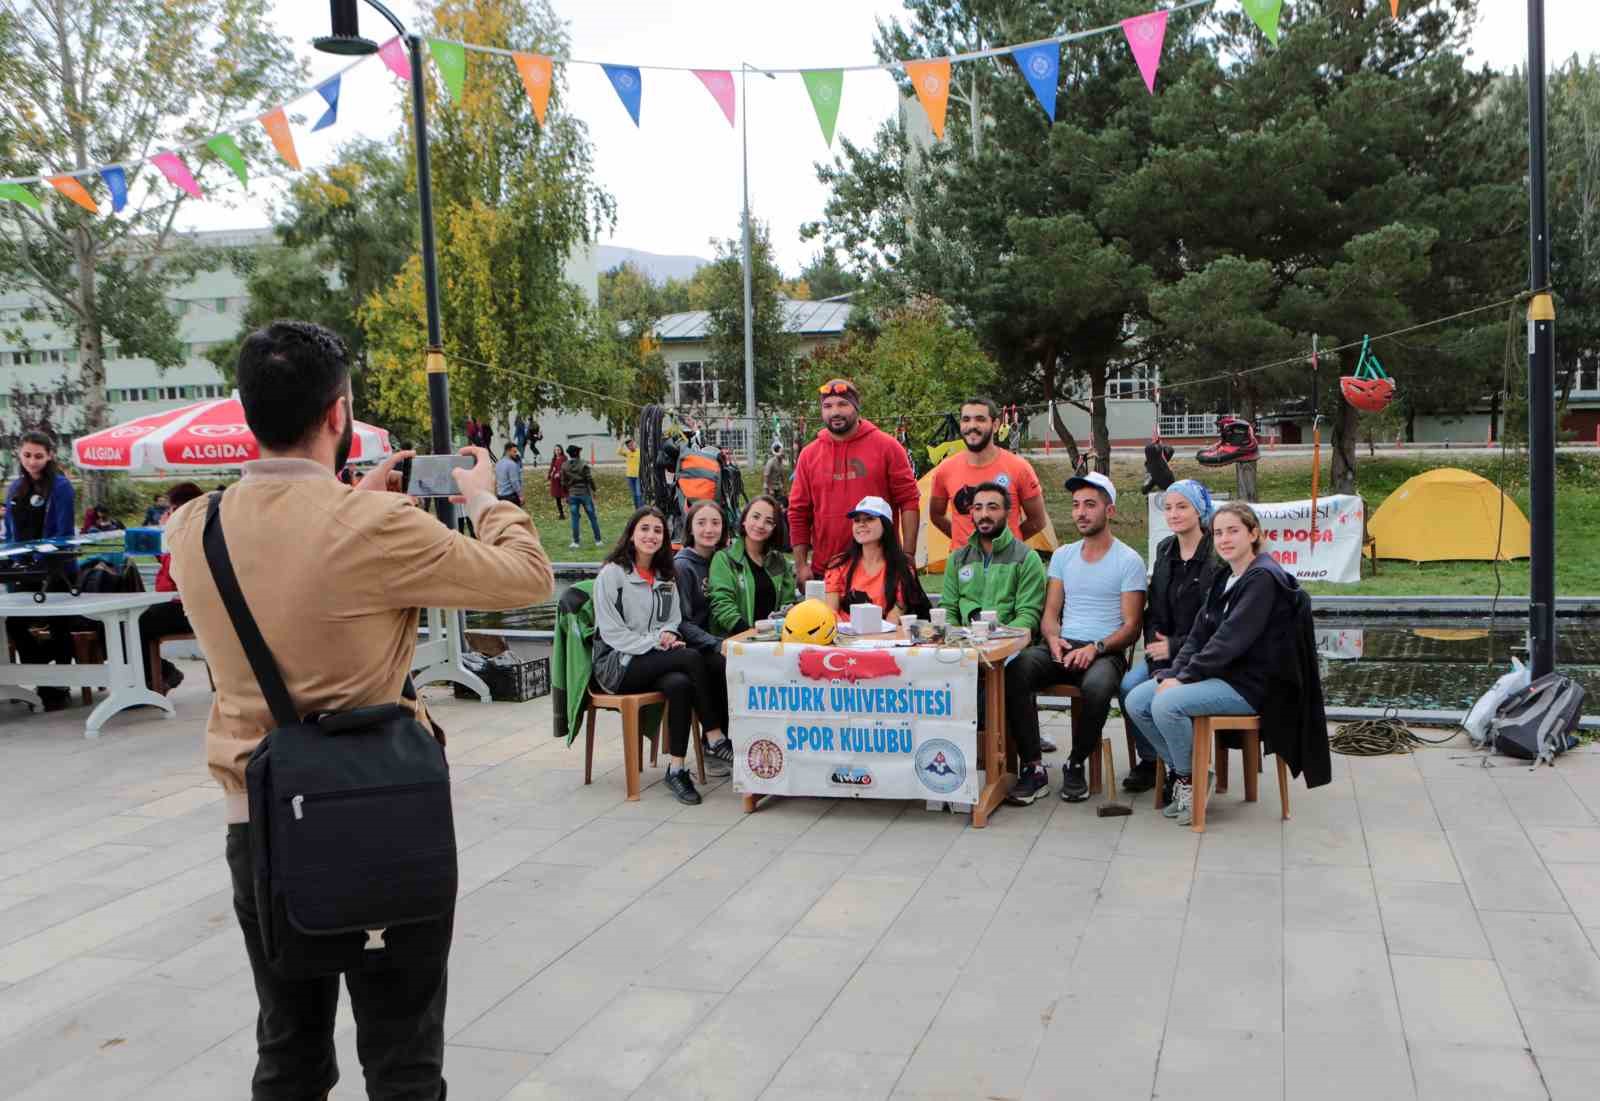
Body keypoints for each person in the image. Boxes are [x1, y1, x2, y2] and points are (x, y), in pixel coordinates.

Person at [164, 320, 554, 1099]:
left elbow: (289, 558)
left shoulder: (191, 527)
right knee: (403, 1056)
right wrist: (486, 496)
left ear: (248, 414)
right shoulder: (379, 527)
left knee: (290, 1052)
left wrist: (347, 500)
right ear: (339, 413)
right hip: (382, 815)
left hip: (262, 825)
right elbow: (529, 576)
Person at [1123, 502, 1331, 826]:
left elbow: (1229, 641)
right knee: (1137, 700)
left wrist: (1183, 679)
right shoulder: (1225, 578)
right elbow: (1197, 636)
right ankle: (1189, 773)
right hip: (1220, 676)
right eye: (1218, 532)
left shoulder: (1262, 578)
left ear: (1253, 533)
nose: (1224, 539)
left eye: (1233, 531)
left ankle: (1190, 779)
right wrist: (1174, 671)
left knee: (1166, 703)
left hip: (1251, 686)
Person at [1004, 472, 1146, 803]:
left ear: (1109, 511)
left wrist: (1096, 648)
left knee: (1096, 687)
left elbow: (1132, 626)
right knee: (1016, 669)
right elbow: (1050, 614)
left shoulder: (1128, 560)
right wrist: (1052, 638)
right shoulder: (1064, 555)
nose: (1081, 512)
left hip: (1105, 650)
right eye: (1076, 505)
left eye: (1090, 505)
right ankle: (1034, 767)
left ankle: (1076, 762)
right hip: (1063, 643)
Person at [594, 506, 729, 806]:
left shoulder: (664, 576)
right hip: (618, 664)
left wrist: (669, 636)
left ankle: (677, 769)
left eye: (657, 530)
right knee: (692, 659)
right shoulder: (612, 575)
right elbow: (612, 633)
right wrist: (657, 641)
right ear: (631, 534)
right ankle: (715, 735)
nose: (651, 535)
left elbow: (672, 619)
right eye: (644, 529)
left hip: (653, 657)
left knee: (680, 683)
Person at [940, 482, 1050, 801]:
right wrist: (956, 637)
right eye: (978, 508)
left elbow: (1028, 615)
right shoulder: (958, 559)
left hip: (1010, 648)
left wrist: (995, 643)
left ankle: (1032, 767)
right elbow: (948, 608)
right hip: (965, 648)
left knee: (1008, 675)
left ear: (1008, 513)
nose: (984, 514)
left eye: (992, 507)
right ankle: (955, 759)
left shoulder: (1026, 558)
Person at [1119, 480, 1223, 801]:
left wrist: (1175, 652)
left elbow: (1214, 623)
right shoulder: (1165, 549)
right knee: (1128, 688)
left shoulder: (1217, 556)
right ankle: (1157, 763)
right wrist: (1158, 658)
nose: (1174, 514)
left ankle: (1183, 773)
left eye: (1182, 506)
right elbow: (1155, 612)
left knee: (1161, 697)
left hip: (1201, 656)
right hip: (1165, 652)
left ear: (1199, 510)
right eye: (1168, 507)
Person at [788, 378, 920, 591]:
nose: (835, 412)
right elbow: (798, 512)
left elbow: (909, 501)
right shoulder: (809, 455)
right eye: (827, 406)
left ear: (856, 407)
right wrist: (802, 565)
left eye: (843, 404)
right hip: (827, 569)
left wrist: (908, 554)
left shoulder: (887, 447)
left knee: (885, 625)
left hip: (879, 567)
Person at [4, 430, 78, 710]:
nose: (32, 461)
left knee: (60, 626)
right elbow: (12, 531)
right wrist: (12, 559)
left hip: (55, 568)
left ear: (49, 456)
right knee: (15, 623)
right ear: (19, 455)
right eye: (27, 455)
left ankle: (57, 685)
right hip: (22, 569)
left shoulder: (60, 486)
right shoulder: (15, 489)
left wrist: (46, 556)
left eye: (38, 456)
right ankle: (42, 674)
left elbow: (63, 531)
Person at [929, 397, 1048, 552]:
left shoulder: (1019, 468)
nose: (972, 426)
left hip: (1007, 567)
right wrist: (963, 541)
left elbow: (1038, 520)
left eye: (980, 419)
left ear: (995, 425)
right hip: (963, 568)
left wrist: (1007, 543)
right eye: (966, 419)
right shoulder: (944, 470)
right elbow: (936, 516)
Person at [672, 500, 738, 776]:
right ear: (690, 527)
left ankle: (733, 738)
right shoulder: (683, 566)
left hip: (718, 638)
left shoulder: (724, 560)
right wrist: (714, 643)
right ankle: (713, 741)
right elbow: (682, 622)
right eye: (701, 523)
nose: (709, 529)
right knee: (722, 665)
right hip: (693, 645)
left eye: (715, 523)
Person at [138, 481, 205, 693]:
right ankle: (157, 676)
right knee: (131, 621)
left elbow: (179, 570)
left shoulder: (193, 531)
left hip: (188, 606)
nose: (167, 512)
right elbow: (168, 564)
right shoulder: (184, 530)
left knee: (136, 624)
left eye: (171, 508)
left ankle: (158, 677)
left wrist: (169, 533)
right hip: (173, 602)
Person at [823, 495, 930, 626]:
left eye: (869, 519)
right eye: (857, 520)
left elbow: (894, 619)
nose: (861, 524)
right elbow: (830, 612)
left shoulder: (902, 568)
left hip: (884, 640)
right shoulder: (838, 564)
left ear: (886, 525)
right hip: (844, 639)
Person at [561, 444, 601, 549]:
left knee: (574, 519)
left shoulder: (564, 465)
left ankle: (575, 542)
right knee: (592, 517)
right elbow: (589, 479)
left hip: (573, 495)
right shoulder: (584, 464)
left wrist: (566, 494)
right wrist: (594, 489)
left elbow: (563, 482)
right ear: (578, 453)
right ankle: (598, 540)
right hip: (585, 494)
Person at [620, 436, 642, 507]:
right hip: (629, 476)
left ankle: (640, 509)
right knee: (634, 494)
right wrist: (622, 444)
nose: (630, 447)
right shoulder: (627, 453)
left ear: (634, 444)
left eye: (631, 445)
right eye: (628, 446)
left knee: (639, 494)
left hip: (638, 476)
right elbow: (619, 452)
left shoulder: (639, 452)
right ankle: (637, 510)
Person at [548, 446, 568, 520]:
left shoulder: (564, 458)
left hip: (562, 481)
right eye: (556, 450)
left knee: (567, 496)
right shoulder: (554, 459)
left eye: (558, 449)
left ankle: (574, 512)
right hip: (555, 481)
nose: (557, 451)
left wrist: (559, 473)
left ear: (561, 450)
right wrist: (549, 475)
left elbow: (565, 468)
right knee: (557, 498)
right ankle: (561, 514)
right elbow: (552, 468)